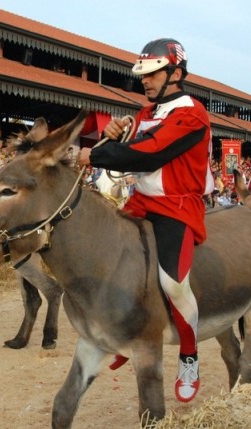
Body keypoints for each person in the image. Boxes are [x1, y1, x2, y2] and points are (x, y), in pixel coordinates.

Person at [78, 38, 212, 403]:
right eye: (144, 76)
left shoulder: (192, 113)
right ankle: (124, 335)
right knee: (108, 260)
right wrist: (108, 138)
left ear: (177, 73)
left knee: (172, 284)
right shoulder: (143, 113)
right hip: (140, 202)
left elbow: (149, 154)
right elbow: (123, 148)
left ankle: (189, 355)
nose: (146, 82)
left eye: (153, 75)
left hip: (177, 208)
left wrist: (97, 154)